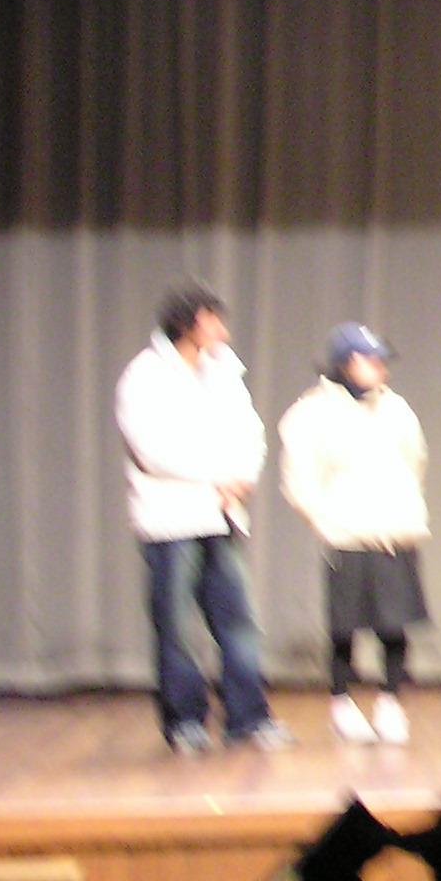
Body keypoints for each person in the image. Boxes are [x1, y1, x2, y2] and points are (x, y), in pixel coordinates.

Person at [114, 282, 292, 753]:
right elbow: (151, 450)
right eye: (212, 321)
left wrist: (243, 477)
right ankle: (185, 721)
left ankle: (249, 718)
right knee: (176, 627)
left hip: (222, 514)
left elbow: (251, 430)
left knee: (238, 621)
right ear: (187, 324)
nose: (222, 331)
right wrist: (217, 476)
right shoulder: (144, 376)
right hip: (171, 519)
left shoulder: (223, 371)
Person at [279, 323, 430, 747]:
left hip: (394, 531)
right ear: (346, 363)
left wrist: (404, 508)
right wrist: (325, 520)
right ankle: (342, 703)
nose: (380, 368)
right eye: (370, 360)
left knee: (395, 624)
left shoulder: (396, 408)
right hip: (346, 534)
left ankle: (390, 702)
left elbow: (415, 460)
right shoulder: (312, 413)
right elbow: (300, 477)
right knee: (344, 626)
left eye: (381, 360)